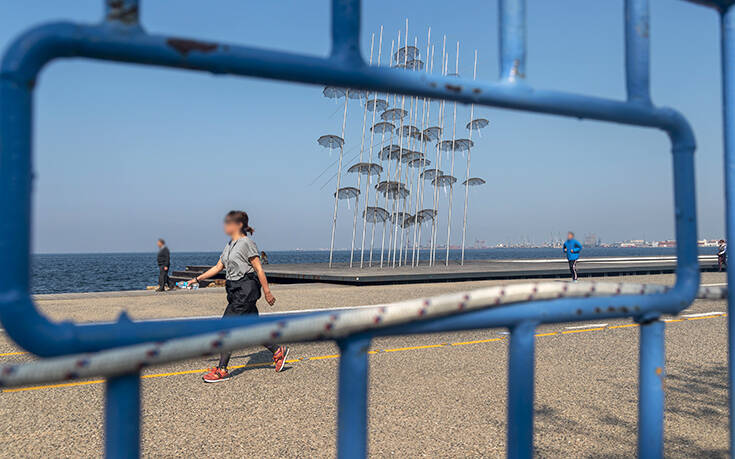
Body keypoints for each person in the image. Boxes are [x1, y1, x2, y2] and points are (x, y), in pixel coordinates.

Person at [189, 210, 289, 382]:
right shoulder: (229, 245)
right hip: (234, 291)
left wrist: (267, 291)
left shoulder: (246, 243)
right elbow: (218, 267)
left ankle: (222, 369)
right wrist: (197, 279)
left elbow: (258, 269)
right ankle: (277, 350)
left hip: (246, 290)